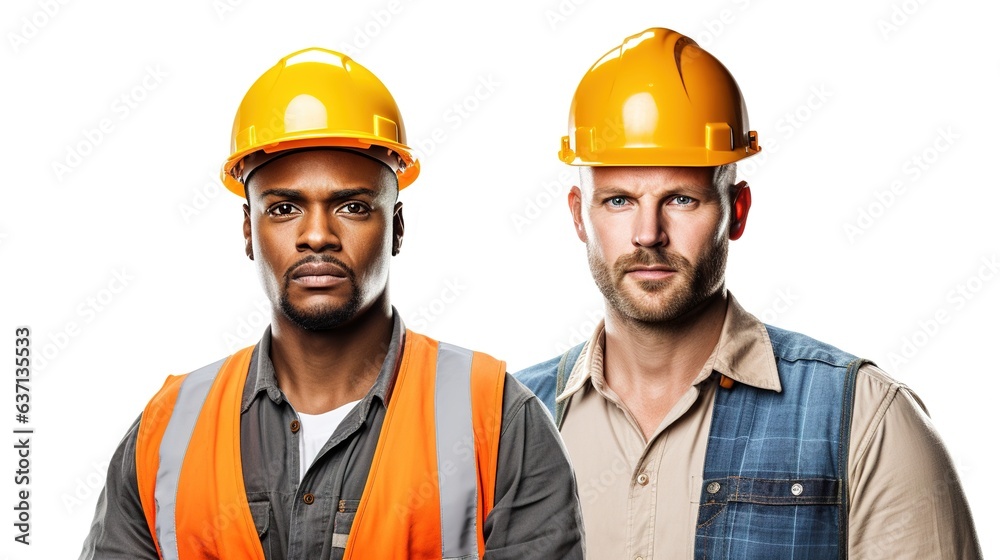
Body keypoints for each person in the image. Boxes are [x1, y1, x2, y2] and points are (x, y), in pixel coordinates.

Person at [80, 47, 584, 560]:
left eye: (351, 206)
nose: (317, 235)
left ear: (397, 228)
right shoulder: (166, 431)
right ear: (249, 231)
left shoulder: (497, 418)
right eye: (284, 208)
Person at [516, 27, 981, 559]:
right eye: (619, 200)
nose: (648, 233)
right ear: (580, 215)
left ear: (736, 211)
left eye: (682, 200)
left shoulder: (864, 419)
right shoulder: (508, 423)